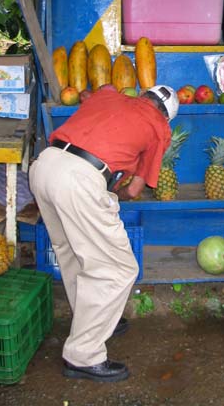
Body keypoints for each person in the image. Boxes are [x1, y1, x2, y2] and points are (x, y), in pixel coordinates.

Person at [29, 83, 179, 382]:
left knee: (72, 253)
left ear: (143, 96)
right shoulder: (159, 127)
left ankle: (92, 321)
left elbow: (92, 107)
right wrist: (111, 196)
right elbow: (135, 189)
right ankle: (83, 356)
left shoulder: (109, 94)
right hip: (79, 180)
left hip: (44, 166)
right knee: (120, 268)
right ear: (167, 116)